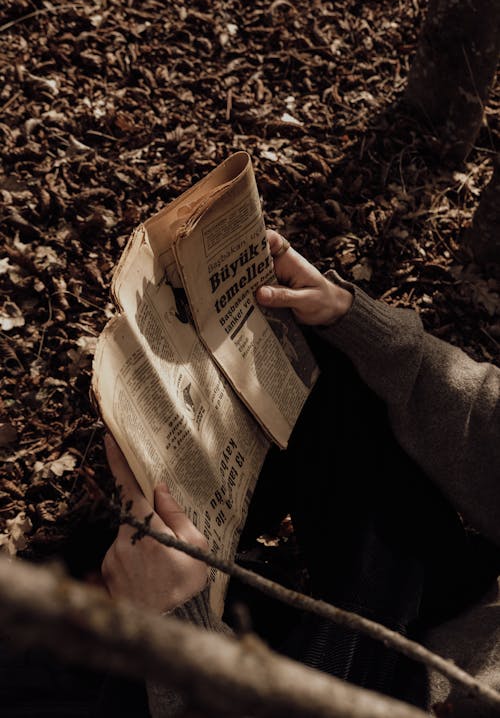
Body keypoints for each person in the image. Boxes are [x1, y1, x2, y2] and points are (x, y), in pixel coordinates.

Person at [102, 229, 500, 717]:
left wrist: (175, 630)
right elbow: (486, 421)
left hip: (388, 698)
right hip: (459, 600)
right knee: (334, 369)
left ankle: (153, 585)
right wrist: (351, 320)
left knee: (56, 661)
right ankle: (167, 549)